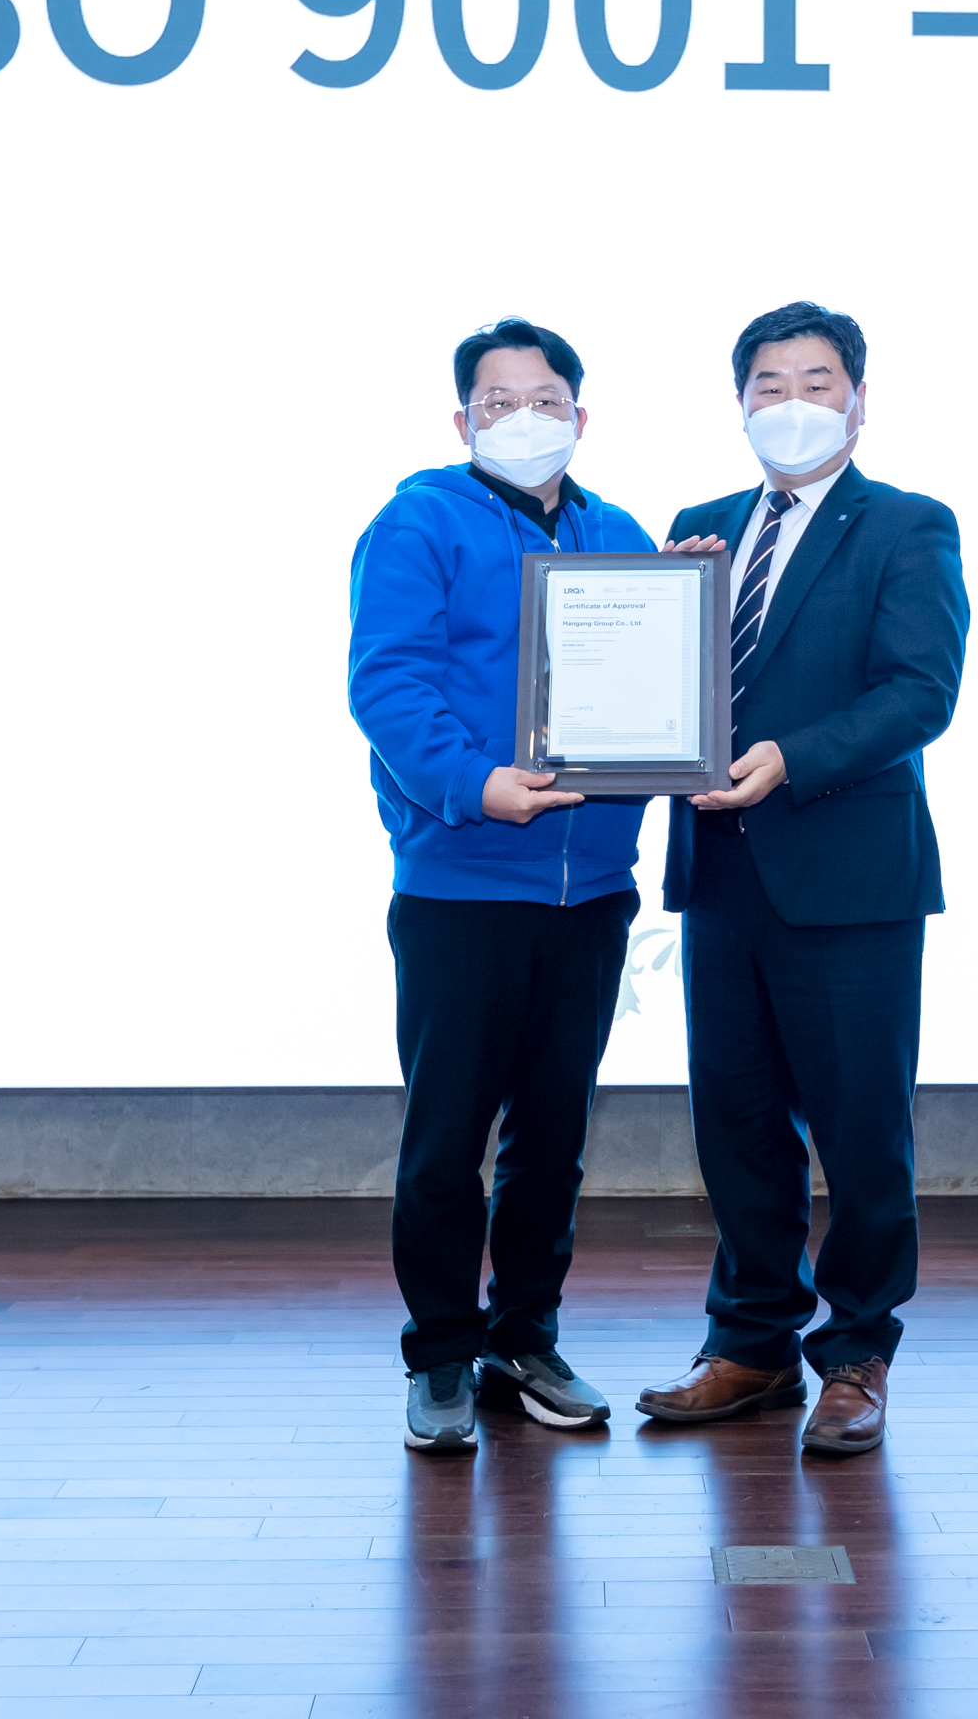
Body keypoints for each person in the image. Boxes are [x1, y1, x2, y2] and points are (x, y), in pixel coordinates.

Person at [633, 301, 968, 1456]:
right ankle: (752, 1343)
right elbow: (659, 693)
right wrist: (663, 611)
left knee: (862, 1130)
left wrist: (793, 757)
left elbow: (920, 690)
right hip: (721, 870)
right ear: (740, 404)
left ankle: (859, 1351)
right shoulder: (700, 527)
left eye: (817, 381)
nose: (793, 403)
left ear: (859, 401)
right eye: (769, 384)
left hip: (850, 874)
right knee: (736, 1124)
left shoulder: (909, 525)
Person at [347, 317, 660, 1453]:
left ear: (580, 415)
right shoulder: (418, 523)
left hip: (591, 891)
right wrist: (477, 785)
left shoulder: (621, 535)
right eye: (498, 402)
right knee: (446, 1140)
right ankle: (440, 1352)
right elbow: (388, 683)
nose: (523, 419)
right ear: (462, 420)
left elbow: (660, 683)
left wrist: (691, 604)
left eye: (544, 401)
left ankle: (524, 1339)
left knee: (553, 1139)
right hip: (463, 885)